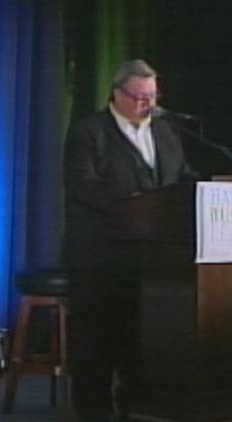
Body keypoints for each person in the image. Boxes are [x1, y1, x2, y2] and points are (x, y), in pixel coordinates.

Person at [63, 60, 196, 421]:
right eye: (138, 97)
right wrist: (136, 204)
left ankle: (136, 408)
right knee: (97, 347)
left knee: (140, 341)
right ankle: (94, 413)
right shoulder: (90, 131)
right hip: (99, 259)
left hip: (152, 263)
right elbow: (82, 186)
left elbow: (181, 179)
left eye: (152, 96)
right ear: (116, 94)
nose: (146, 104)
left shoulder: (166, 133)